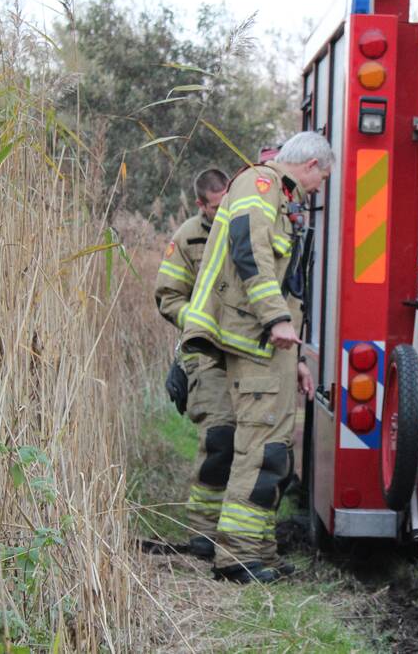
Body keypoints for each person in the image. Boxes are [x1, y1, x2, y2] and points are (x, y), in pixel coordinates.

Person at [181, 131, 333, 584]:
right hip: (255, 339)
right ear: (310, 165)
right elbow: (250, 251)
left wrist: (296, 358)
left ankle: (258, 549)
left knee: (275, 449)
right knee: (260, 447)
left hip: (266, 344)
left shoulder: (277, 197)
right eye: (323, 177)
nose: (320, 187)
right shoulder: (262, 186)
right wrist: (275, 319)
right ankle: (238, 558)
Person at [154, 168, 237, 560]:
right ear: (201, 204)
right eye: (215, 207)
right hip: (206, 353)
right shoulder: (187, 237)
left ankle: (241, 530)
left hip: (250, 352)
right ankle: (203, 529)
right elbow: (168, 297)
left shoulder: (245, 224)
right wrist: (199, 320)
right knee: (220, 438)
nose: (222, 214)